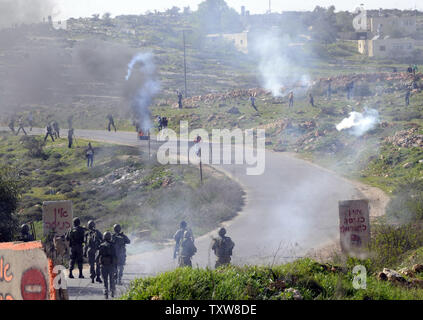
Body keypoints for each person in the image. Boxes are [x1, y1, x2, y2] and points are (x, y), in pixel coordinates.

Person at [98, 232, 117, 299]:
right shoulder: (113, 245)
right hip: (111, 265)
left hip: (103, 266)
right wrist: (116, 268)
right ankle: (112, 291)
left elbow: (97, 256)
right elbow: (115, 257)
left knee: (105, 281)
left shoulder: (101, 245)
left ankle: (106, 292)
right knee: (112, 279)